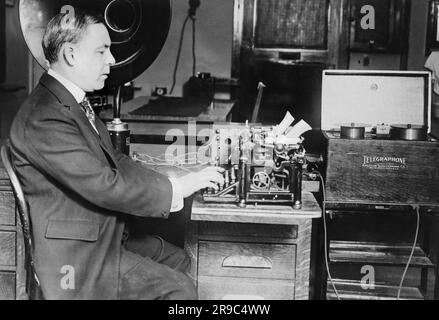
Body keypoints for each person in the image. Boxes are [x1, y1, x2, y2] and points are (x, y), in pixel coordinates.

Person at [9, 10, 224, 300]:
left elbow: (115, 161)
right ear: (71, 54)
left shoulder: (70, 103)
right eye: (102, 51)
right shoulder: (45, 116)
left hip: (100, 236)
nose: (111, 60)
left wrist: (179, 178)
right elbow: (103, 184)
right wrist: (178, 188)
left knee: (179, 258)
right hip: (75, 259)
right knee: (180, 289)